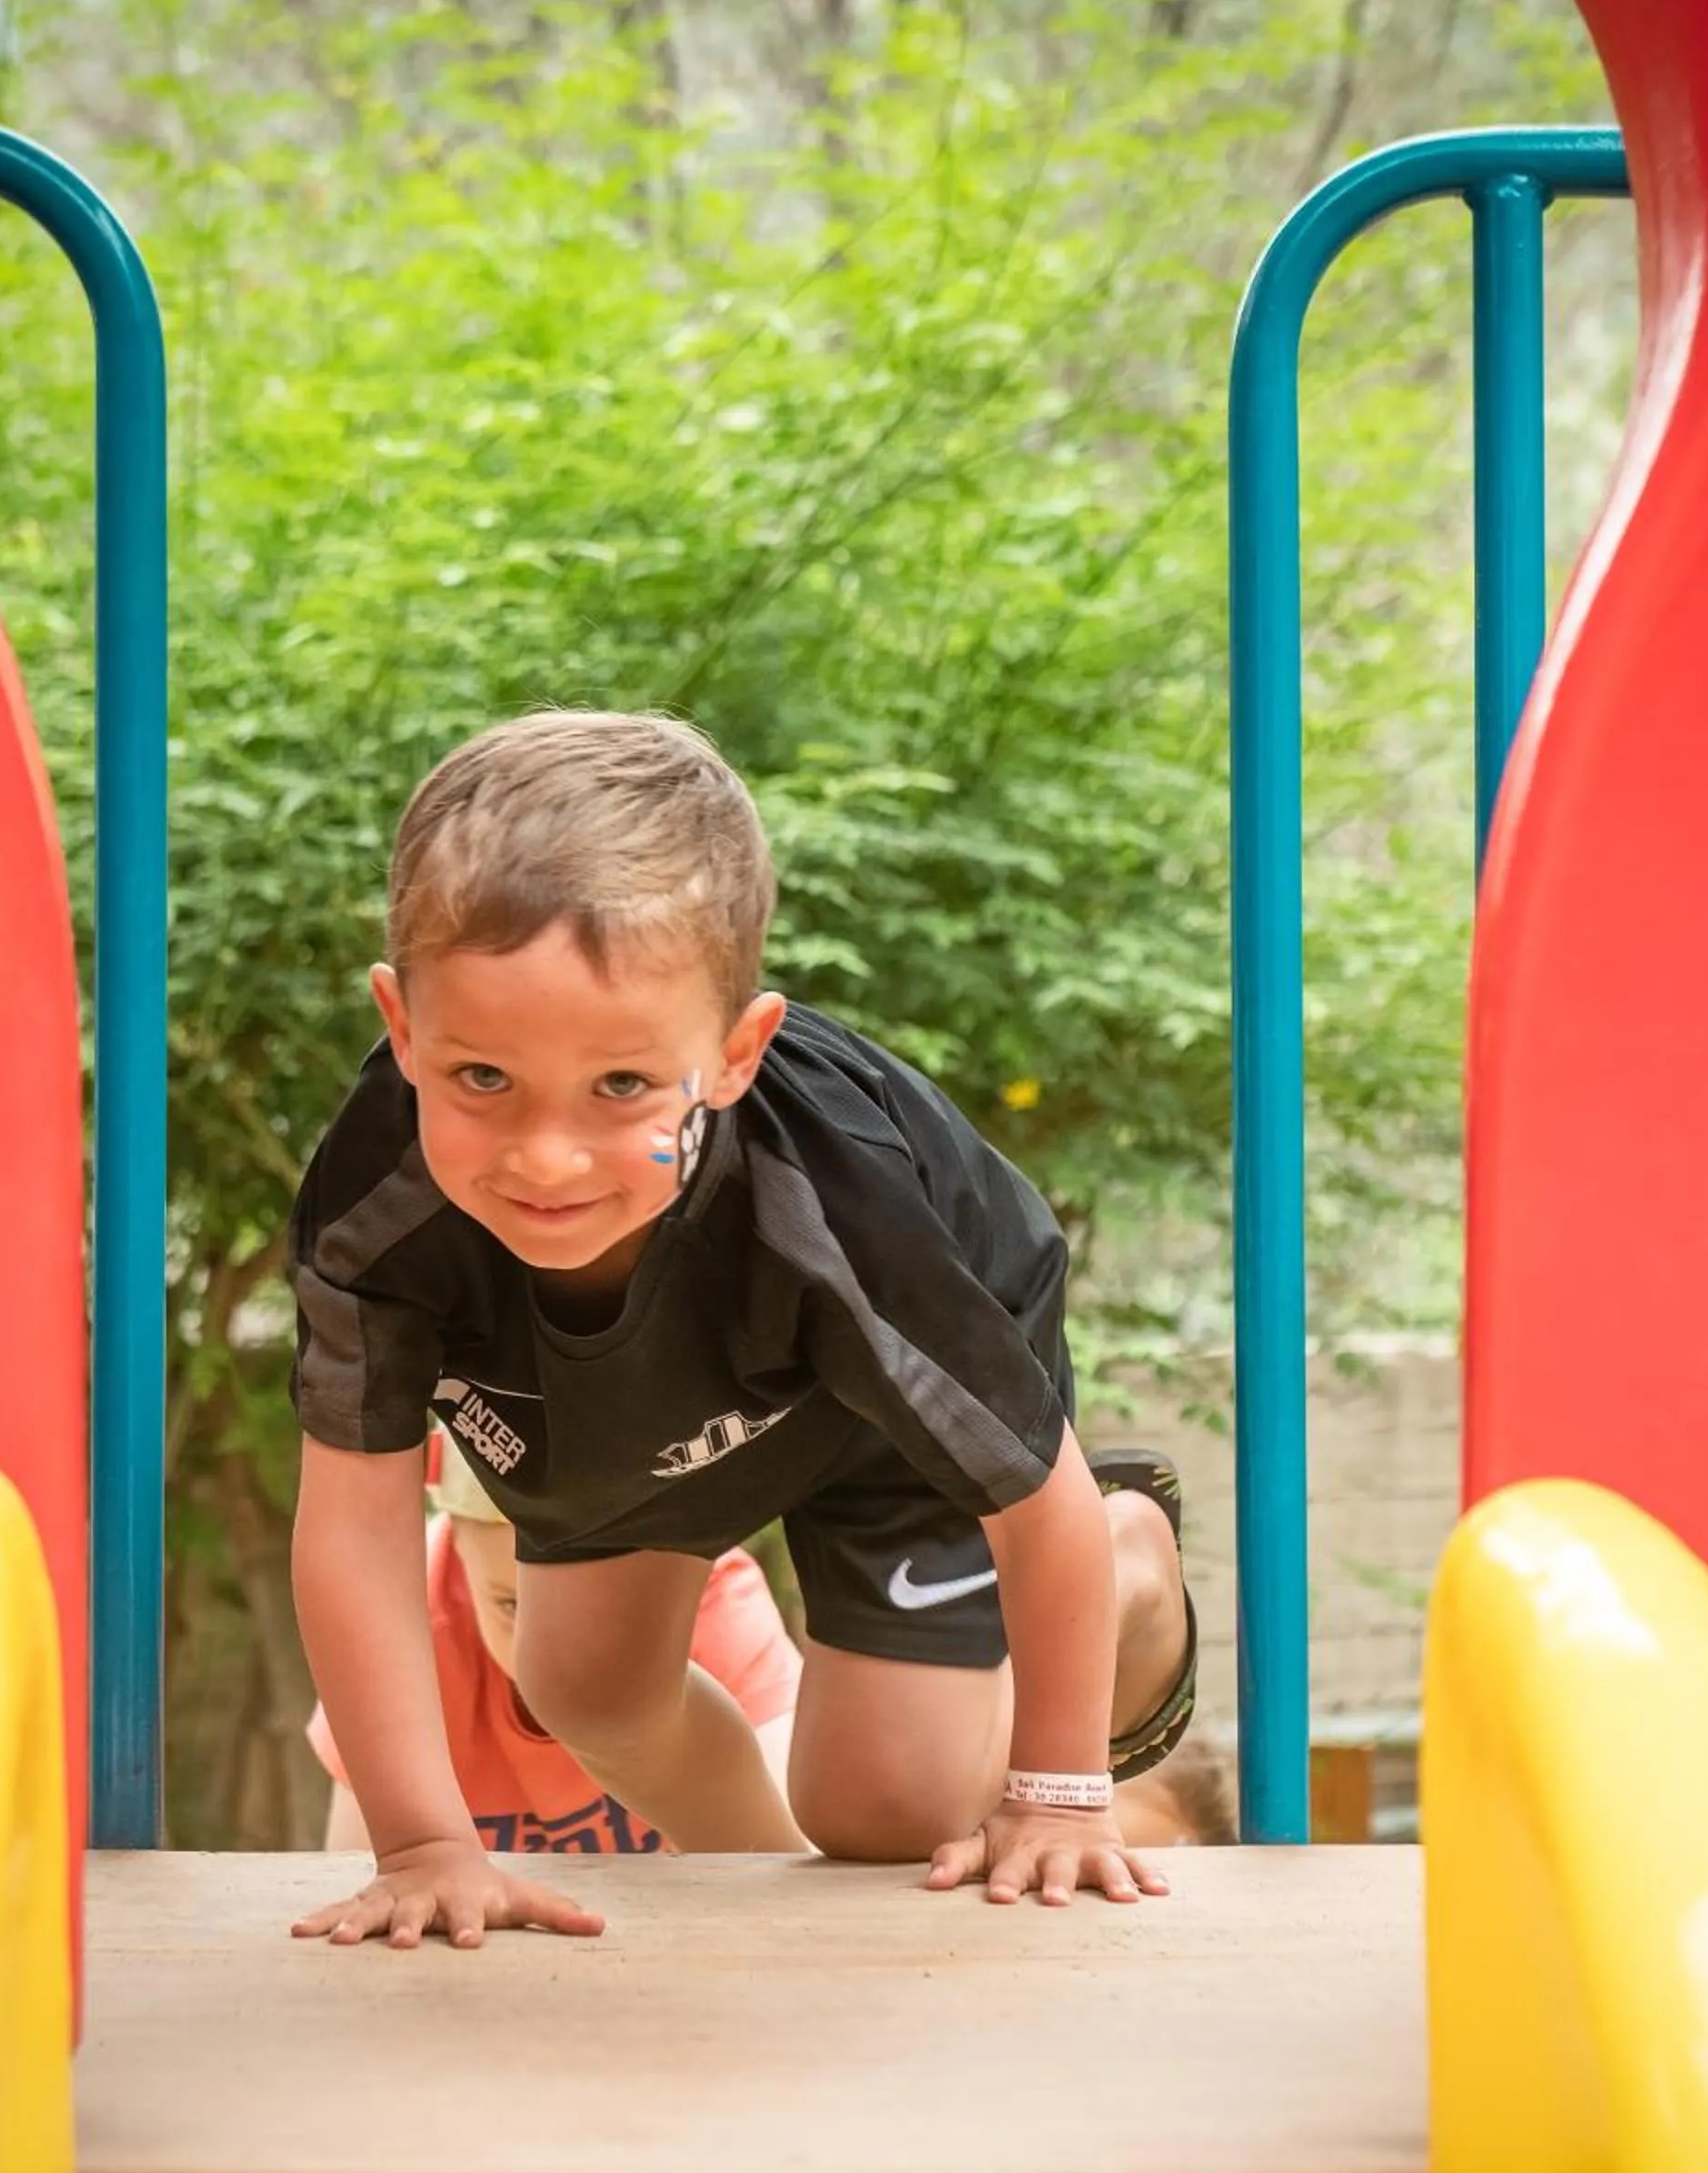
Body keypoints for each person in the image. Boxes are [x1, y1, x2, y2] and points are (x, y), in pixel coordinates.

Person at [286, 709, 1198, 1951]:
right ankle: (779, 1898)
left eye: (621, 1086)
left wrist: (1058, 1796)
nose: (545, 1156)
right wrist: (423, 1847)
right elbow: (354, 1529)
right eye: (481, 1079)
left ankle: (1129, 1557)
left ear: (734, 1053)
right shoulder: (374, 1212)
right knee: (582, 1687)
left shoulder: (838, 1201)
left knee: (887, 1809)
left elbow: (1033, 1506)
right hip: (646, 1395)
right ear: (402, 1027)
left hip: (903, 1408)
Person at [311, 1431, 799, 1854]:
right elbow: (362, 1874)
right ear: (455, 1543)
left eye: (599, 1605)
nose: (546, 1645)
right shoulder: (405, 1627)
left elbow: (788, 1852)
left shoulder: (709, 1601)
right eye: (511, 1605)